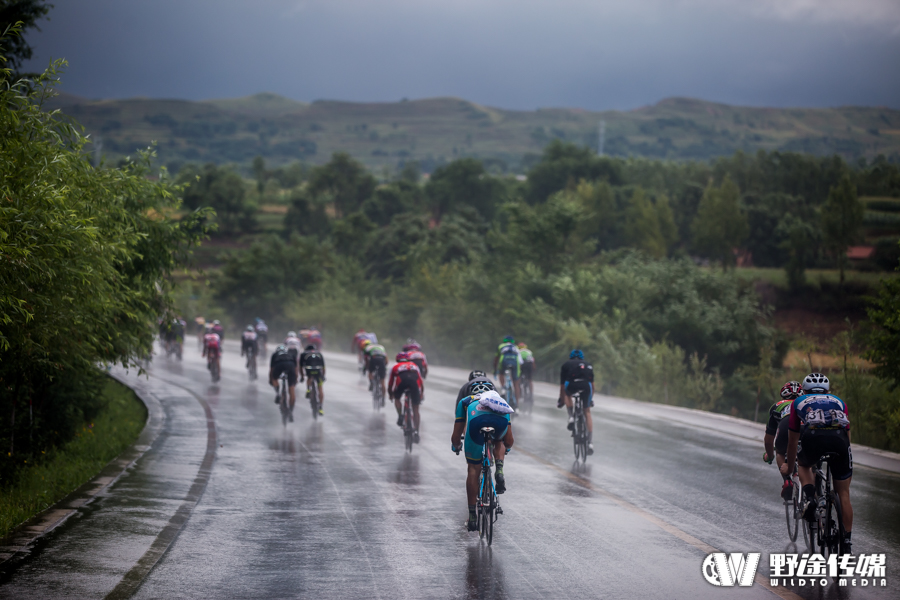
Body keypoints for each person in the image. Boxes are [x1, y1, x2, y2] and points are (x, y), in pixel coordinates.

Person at [781, 373, 854, 555]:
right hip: (840, 442)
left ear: (804, 391)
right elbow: (847, 434)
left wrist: (789, 468)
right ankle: (846, 541)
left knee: (804, 464)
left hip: (813, 439)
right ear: (828, 391)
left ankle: (810, 498)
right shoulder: (839, 401)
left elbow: (792, 441)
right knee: (844, 494)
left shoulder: (798, 403)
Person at [451, 380, 515, 531]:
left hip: (475, 422)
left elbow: (457, 433)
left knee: (473, 469)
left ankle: (473, 516)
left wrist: (456, 445)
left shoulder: (466, 400)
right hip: (498, 423)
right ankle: (499, 469)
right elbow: (510, 440)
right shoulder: (500, 400)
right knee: (499, 440)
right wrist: (506, 447)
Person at [763, 381, 802, 500]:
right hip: (807, 429)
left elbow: (769, 440)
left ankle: (787, 480)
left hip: (786, 428)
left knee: (780, 451)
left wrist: (770, 455)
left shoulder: (777, 405)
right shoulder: (805, 403)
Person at [558, 349, 595, 455]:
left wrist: (561, 400)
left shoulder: (566, 365)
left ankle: (571, 417)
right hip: (586, 387)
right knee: (587, 412)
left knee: (567, 394)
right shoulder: (588, 365)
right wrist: (590, 399)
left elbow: (562, 386)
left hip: (572, 385)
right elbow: (592, 386)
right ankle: (590, 443)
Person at [388, 352, 424, 441]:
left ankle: (400, 415)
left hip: (402, 381)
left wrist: (391, 394)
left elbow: (390, 383)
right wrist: (421, 394)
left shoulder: (395, 366)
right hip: (414, 382)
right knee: (416, 409)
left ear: (397, 360)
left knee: (397, 398)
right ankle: (416, 432)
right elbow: (420, 381)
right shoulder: (414, 365)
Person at [269, 344, 298, 421]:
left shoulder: (275, 354)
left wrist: (271, 379)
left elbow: (272, 369)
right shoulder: (291, 354)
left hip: (279, 365)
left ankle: (278, 393)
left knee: (275, 379)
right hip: (291, 366)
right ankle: (291, 411)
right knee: (291, 389)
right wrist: (295, 378)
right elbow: (296, 368)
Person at [493, 336, 522, 405]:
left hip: (504, 361)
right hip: (515, 363)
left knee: (501, 373)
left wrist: (495, 369)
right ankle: (517, 404)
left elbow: (496, 359)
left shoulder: (501, 346)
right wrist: (519, 374)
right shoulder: (516, 347)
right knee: (516, 384)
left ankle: (503, 388)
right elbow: (520, 362)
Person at [299, 344, 326, 415]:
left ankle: (308, 389)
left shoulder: (304, 354)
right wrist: (323, 376)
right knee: (320, 388)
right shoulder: (319, 353)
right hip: (318, 371)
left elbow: (300, 367)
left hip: (309, 370)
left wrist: (302, 376)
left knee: (309, 377)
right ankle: (320, 407)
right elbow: (323, 367)